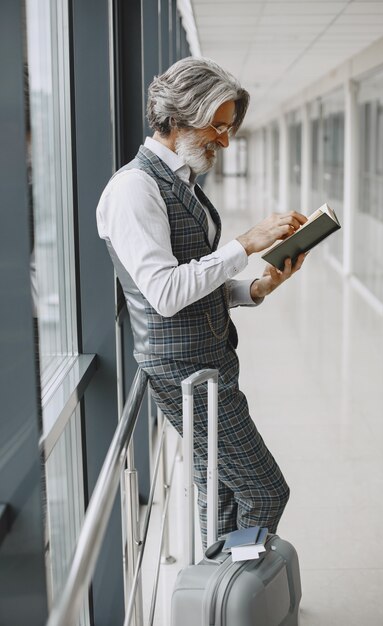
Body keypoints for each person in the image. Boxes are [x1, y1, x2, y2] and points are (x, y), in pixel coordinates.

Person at [96, 57, 307, 548]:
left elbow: (193, 282)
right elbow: (166, 294)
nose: (225, 141)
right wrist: (245, 243)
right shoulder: (134, 189)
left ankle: (222, 595)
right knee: (263, 489)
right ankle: (236, 589)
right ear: (179, 116)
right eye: (219, 126)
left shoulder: (182, 180)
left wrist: (254, 289)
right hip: (181, 369)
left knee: (223, 488)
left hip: (207, 361)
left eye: (229, 128)